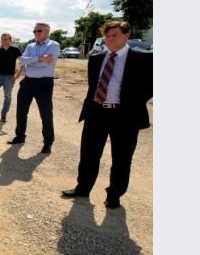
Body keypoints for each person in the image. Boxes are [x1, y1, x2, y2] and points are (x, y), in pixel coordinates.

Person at [61, 21, 152, 208]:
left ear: (127, 35)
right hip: (96, 113)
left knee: (121, 159)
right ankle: (83, 188)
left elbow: (151, 85)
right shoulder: (96, 58)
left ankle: (114, 195)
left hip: (125, 116)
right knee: (88, 155)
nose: (110, 39)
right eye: (107, 36)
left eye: (114, 35)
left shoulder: (144, 58)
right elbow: (93, 86)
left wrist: (132, 103)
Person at [7, 22, 60, 154]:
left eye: (39, 31)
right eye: (34, 31)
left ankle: (48, 142)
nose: (36, 33)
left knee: (46, 113)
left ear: (47, 32)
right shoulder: (30, 46)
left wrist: (32, 61)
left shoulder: (53, 45)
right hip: (28, 82)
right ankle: (20, 136)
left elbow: (49, 60)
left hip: (44, 83)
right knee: (21, 111)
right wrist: (40, 58)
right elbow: (22, 61)